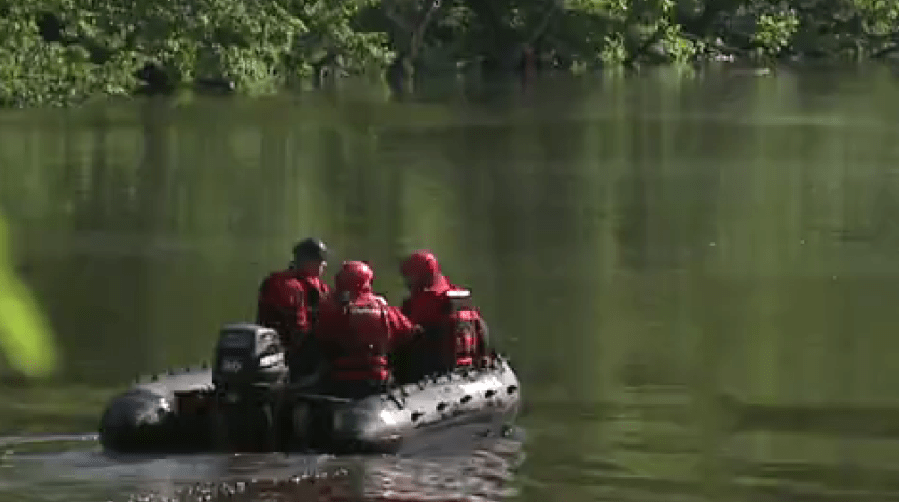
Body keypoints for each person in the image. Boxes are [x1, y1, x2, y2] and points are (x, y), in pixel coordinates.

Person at [315, 260, 419, 398]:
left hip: (340, 380)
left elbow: (320, 337)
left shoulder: (331, 308)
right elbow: (408, 332)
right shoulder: (383, 307)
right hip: (376, 379)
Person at [397, 250, 491, 381]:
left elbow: (402, 335)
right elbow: (481, 330)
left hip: (435, 370)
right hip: (466, 366)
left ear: (418, 276)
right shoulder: (460, 297)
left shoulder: (423, 302)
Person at [256, 237, 330, 380]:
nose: (324, 265)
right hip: (285, 354)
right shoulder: (285, 285)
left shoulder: (315, 285)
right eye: (321, 260)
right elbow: (297, 331)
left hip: (295, 350)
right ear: (308, 262)